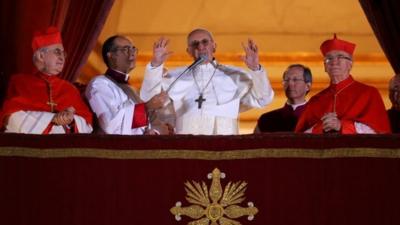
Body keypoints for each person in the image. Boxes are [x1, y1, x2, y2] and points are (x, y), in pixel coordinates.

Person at [140, 28, 274, 135]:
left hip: (225, 144)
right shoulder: (175, 77)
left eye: (205, 42)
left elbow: (263, 99)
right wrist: (155, 65)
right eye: (194, 44)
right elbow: (149, 99)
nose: (200, 47)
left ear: (214, 46)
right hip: (187, 146)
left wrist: (255, 69)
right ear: (189, 51)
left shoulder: (235, 75)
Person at [0, 26, 93, 134]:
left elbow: (87, 125)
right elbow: (11, 118)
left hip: (64, 146)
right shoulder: (20, 81)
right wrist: (52, 120)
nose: (62, 57)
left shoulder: (70, 89)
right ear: (41, 56)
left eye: (63, 53)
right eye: (57, 52)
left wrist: (71, 120)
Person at [295, 34, 390, 134]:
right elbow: (299, 137)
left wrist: (341, 125)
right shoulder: (315, 101)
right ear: (325, 67)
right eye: (329, 59)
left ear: (350, 64)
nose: (334, 62)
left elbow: (378, 132)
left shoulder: (369, 93)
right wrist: (321, 127)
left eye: (340, 57)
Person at [85, 35, 169, 135]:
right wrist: (146, 107)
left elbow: (151, 123)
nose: (132, 53)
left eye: (133, 49)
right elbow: (110, 125)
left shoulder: (132, 89)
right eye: (125, 49)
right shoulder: (99, 84)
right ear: (111, 55)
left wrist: (155, 131)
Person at [255, 64, 312, 133]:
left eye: (295, 79)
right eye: (286, 80)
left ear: (308, 86)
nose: (290, 83)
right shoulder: (266, 119)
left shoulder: (316, 119)